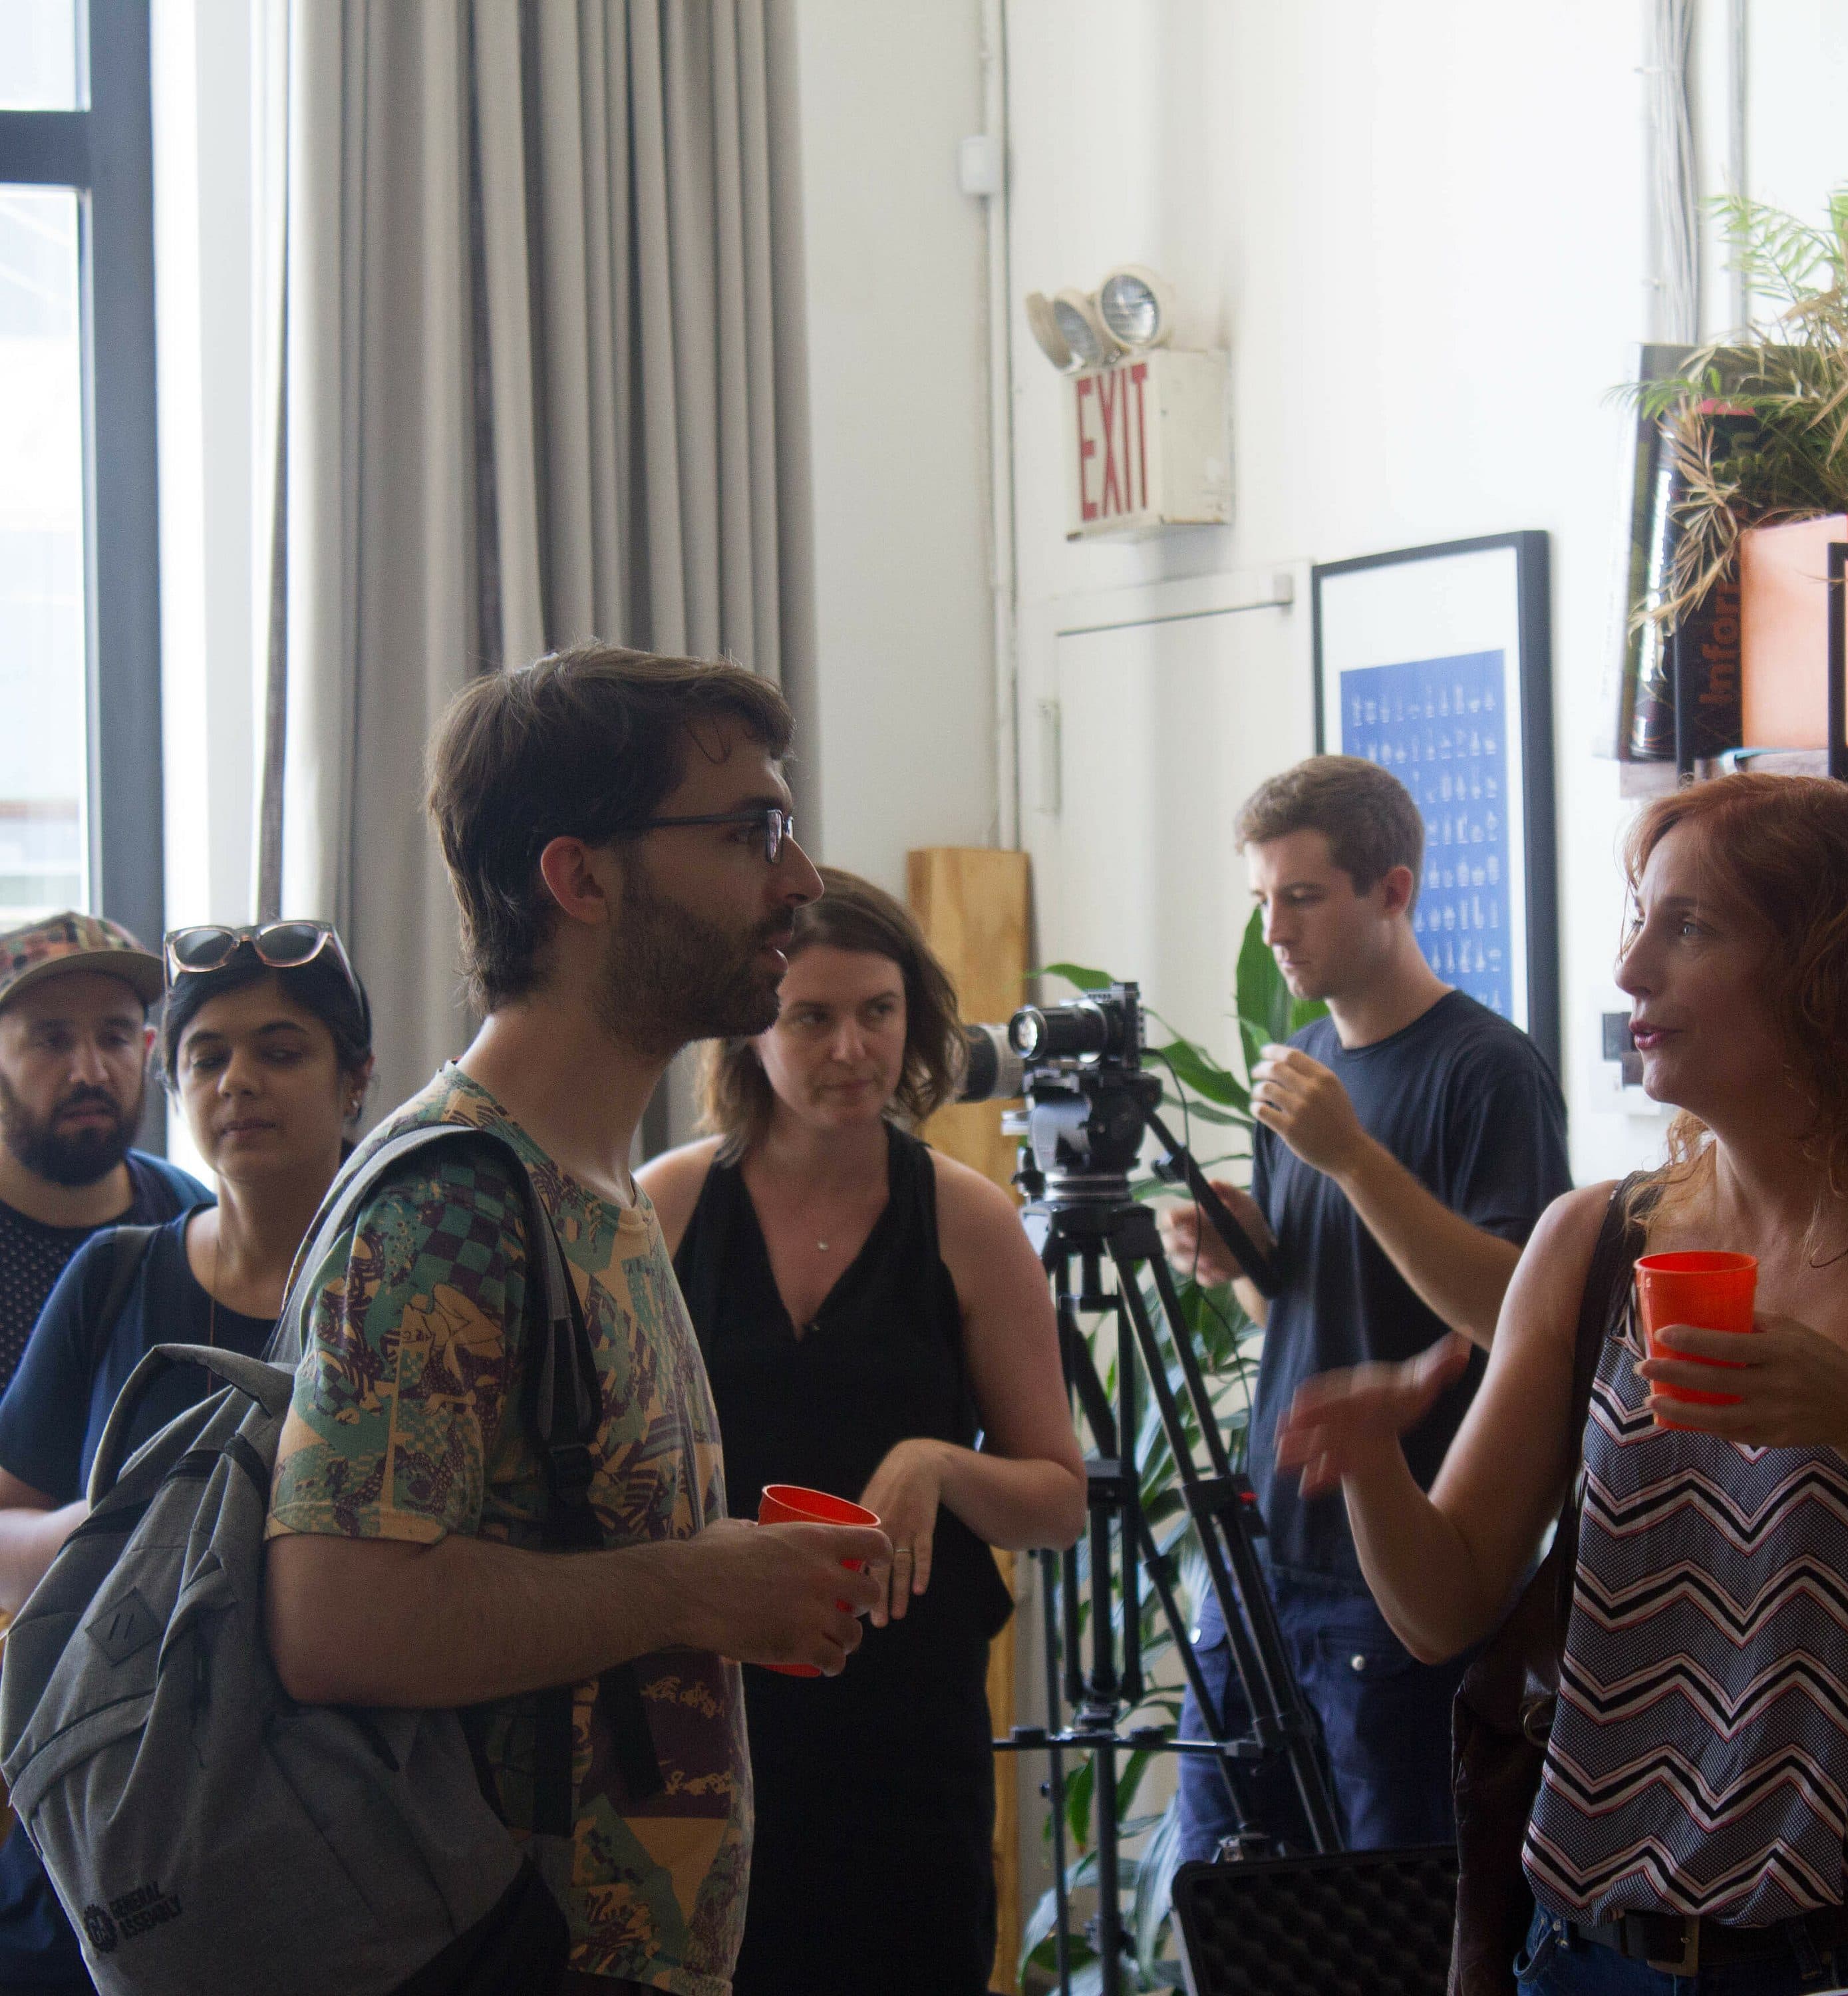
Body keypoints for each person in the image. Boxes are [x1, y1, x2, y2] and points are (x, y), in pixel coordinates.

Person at [1278, 773, 1848, 1993]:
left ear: (1840, 969)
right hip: (1598, 1948)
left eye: (1691, 928)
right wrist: (1372, 1468)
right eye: (1638, 919)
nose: (1629, 973)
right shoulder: (1595, 1243)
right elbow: (1444, 1606)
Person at [262, 644, 894, 1996]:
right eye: (752, 833)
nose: (799, 882)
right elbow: (338, 1618)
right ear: (581, 878)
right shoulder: (453, 1203)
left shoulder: (592, 1183)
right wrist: (695, 1585)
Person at [637, 867, 1086, 1996]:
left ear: (916, 1020)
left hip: (905, 1734)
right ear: (751, 1029)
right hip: (708, 1720)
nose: (851, 1050)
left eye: (877, 1013)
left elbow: (1059, 1498)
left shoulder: (970, 1221)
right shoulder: (663, 1208)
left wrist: (937, 1460)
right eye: (812, 1017)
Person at [1159, 754, 1570, 1856]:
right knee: (1231, 1907)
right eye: (1262, 902)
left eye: (1302, 897)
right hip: (1264, 1564)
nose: (1276, 933)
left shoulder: (1487, 1071)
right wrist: (1240, 1258)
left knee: (1390, 1931)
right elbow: (1303, 1324)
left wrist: (1347, 1158)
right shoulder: (1299, 1064)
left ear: (1393, 890)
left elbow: (1516, 1315)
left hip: (1394, 1584)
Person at [0, 919, 374, 1993]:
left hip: (340, 1834)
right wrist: (115, 1536)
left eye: (281, 1050)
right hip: (105, 1820)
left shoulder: (404, 1287)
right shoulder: (115, 1277)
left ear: (356, 1081)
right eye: (207, 1056)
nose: (239, 1082)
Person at [0, 912, 210, 1395]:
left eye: (115, 1038)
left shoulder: (191, 1217)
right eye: (53, 1041)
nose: (90, 1074)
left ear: (147, 1049)